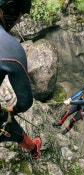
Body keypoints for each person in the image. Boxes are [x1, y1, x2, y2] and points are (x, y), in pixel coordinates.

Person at [0, 0, 41, 159]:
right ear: (9, 10)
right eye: (19, 15)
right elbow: (25, 102)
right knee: (8, 125)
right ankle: (33, 149)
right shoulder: (12, 49)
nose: (19, 21)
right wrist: (13, 110)